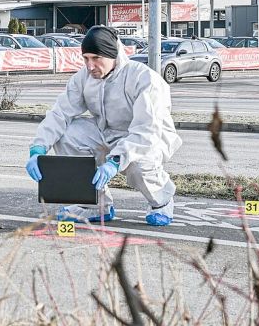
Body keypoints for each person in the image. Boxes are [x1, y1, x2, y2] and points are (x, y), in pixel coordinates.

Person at [26, 25, 182, 226]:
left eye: (96, 58)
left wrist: (115, 161)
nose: (90, 66)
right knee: (67, 135)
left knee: (139, 164)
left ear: (112, 54)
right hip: (107, 132)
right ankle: (96, 204)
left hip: (149, 137)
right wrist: (38, 148)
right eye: (86, 58)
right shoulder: (84, 78)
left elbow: (146, 129)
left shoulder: (143, 79)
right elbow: (60, 114)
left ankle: (161, 201)